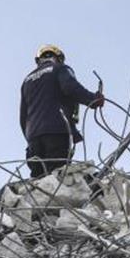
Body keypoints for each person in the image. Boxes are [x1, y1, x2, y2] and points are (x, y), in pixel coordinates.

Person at [19, 44, 105, 179]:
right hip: (57, 131)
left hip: (33, 139)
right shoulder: (60, 68)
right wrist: (93, 99)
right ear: (59, 58)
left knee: (38, 183)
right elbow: (70, 88)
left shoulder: (26, 81)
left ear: (38, 61)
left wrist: (32, 139)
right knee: (58, 177)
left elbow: (23, 117)